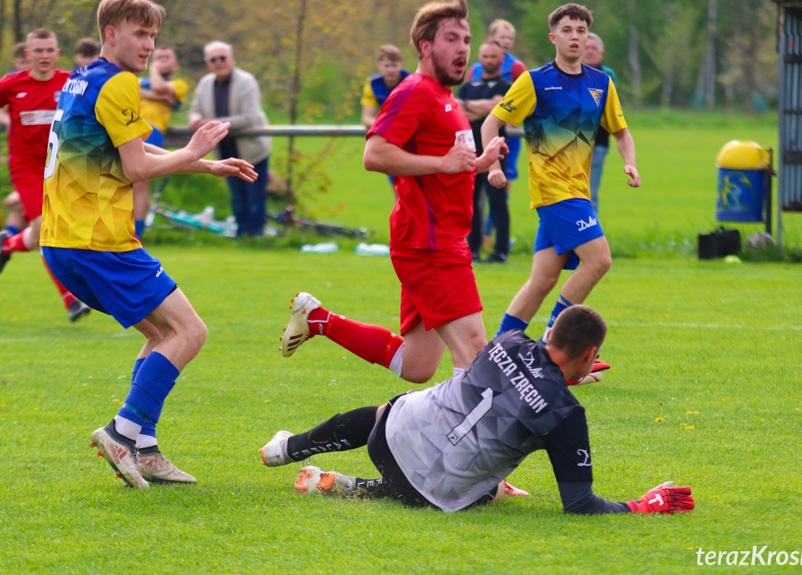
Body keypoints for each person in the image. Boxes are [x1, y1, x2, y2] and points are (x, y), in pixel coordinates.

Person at [41, 0, 258, 489]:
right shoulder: (119, 83)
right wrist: (195, 149)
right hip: (99, 240)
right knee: (190, 331)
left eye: (154, 36)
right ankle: (122, 429)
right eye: (141, 34)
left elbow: (132, 148)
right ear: (111, 32)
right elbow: (137, 169)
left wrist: (205, 164)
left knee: (162, 334)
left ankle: (144, 449)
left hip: (64, 242)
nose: (150, 46)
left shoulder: (83, 77)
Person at [261, 305, 695, 515]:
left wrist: (556, 376)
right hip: (428, 489)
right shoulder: (565, 412)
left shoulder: (508, 342)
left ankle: (289, 449)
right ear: (592, 353)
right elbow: (579, 504)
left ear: (551, 333)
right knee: (473, 485)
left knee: (395, 410)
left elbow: (522, 379)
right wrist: (642, 505)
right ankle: (351, 485)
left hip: (388, 434)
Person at [280, 0, 507, 384]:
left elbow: (446, 164)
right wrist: (443, 163)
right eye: (451, 39)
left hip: (436, 239)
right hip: (430, 245)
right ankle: (452, 444)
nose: (463, 48)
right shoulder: (415, 91)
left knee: (417, 366)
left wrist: (479, 162)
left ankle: (320, 320)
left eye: (466, 39)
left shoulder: (445, 96)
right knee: (474, 355)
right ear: (425, 46)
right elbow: (375, 154)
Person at [482, 3, 640, 345]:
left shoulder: (601, 83)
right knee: (599, 261)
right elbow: (492, 122)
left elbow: (621, 131)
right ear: (554, 37)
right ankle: (551, 345)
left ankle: (497, 348)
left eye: (581, 31)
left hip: (576, 191)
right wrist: (493, 165)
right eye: (567, 30)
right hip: (554, 191)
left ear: (588, 39)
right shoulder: (534, 81)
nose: (574, 37)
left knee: (543, 279)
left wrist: (630, 161)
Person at [0, 29, 92, 322]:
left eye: (49, 50)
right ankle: (71, 300)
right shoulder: (11, 85)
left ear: (57, 53)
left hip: (62, 169)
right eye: (38, 50)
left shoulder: (71, 82)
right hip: (26, 170)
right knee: (45, 229)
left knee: (58, 233)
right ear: (27, 55)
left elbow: (92, 111)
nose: (44, 55)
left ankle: (6, 244)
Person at [188, 41, 271, 237]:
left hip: (251, 149)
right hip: (224, 149)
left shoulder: (246, 81)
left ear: (231, 59)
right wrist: (195, 120)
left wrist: (214, 123)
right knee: (237, 196)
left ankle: (256, 236)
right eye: (213, 59)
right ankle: (241, 234)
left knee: (255, 196)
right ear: (207, 63)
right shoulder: (205, 83)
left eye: (222, 58)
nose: (218, 62)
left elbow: (250, 117)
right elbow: (194, 110)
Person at [457, 41, 511, 263]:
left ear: (501, 59)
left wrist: (470, 106)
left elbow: (499, 110)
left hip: (496, 153)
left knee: (498, 201)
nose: (489, 60)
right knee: (470, 202)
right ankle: (474, 249)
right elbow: (459, 113)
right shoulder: (467, 86)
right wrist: (487, 106)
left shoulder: (507, 86)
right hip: (470, 152)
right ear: (479, 57)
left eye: (494, 56)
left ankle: (500, 251)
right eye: (486, 56)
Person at [133, 46, 187, 237]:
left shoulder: (179, 84)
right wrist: (159, 98)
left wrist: (155, 70)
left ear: (175, 63)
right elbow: (132, 90)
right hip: (129, 128)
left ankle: (136, 235)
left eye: (166, 58)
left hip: (151, 131)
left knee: (139, 181)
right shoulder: (138, 80)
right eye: (158, 58)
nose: (162, 61)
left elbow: (159, 87)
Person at [583, 32, 617, 216]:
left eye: (593, 48)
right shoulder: (566, 73)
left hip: (596, 142)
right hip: (565, 143)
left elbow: (607, 108)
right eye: (586, 47)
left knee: (590, 194)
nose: (589, 51)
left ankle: (591, 241)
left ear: (602, 53)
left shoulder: (606, 75)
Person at [1, 42, 29, 237]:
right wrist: (11, 123)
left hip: (46, 150)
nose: (25, 65)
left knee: (18, 204)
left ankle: (6, 242)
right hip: (21, 152)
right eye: (21, 62)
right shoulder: (10, 82)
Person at [360, 45, 411, 128]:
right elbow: (366, 118)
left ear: (401, 65)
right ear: (378, 66)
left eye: (394, 66)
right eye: (387, 66)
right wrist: (386, 125)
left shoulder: (411, 82)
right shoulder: (373, 83)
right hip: (388, 127)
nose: (391, 70)